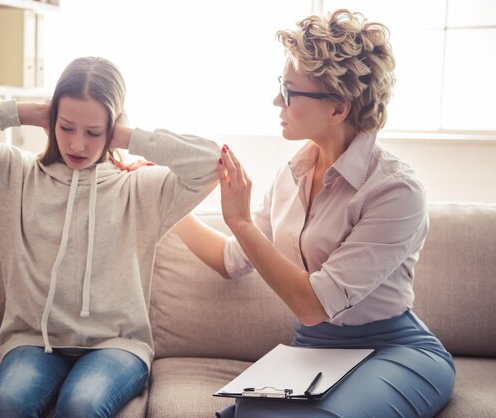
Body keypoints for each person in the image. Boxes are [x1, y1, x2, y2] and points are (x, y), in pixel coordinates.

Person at [174, 9, 455, 418]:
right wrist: (165, 204)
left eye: (289, 91)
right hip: (314, 348)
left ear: (338, 108)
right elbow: (231, 261)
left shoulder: (396, 191)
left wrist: (241, 220)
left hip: (394, 349)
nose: (276, 101)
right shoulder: (292, 175)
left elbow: (314, 305)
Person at [0, 56, 219, 418]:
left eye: (94, 132)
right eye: (66, 127)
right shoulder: (10, 175)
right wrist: (24, 112)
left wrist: (127, 136)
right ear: (51, 119)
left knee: (81, 406)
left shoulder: (140, 189)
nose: (78, 143)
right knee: (7, 405)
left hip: (116, 346)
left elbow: (211, 162)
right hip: (33, 342)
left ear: (113, 126)